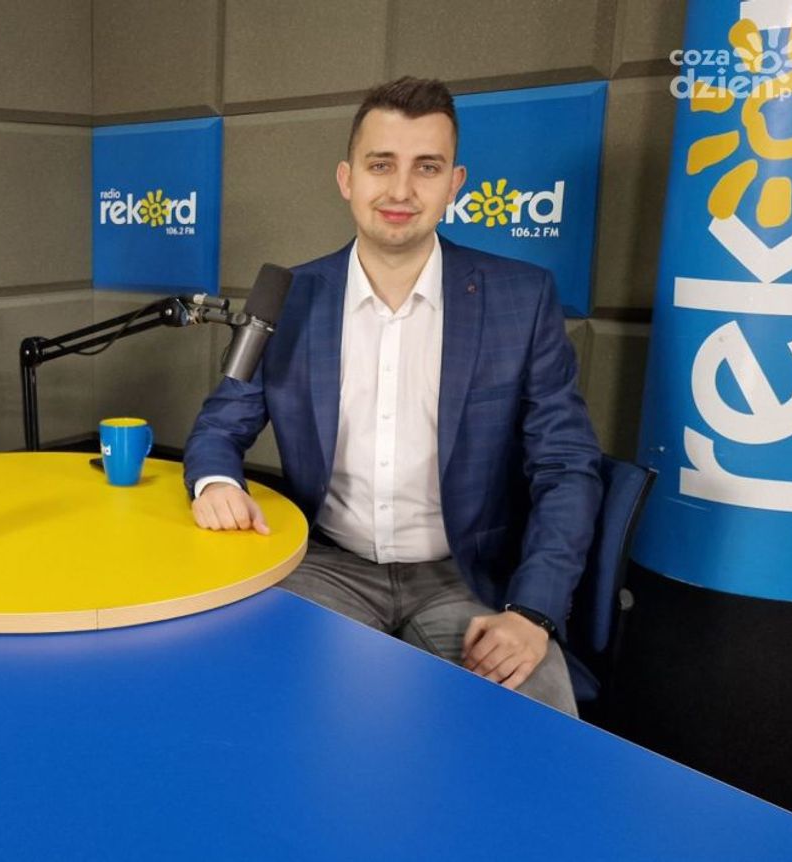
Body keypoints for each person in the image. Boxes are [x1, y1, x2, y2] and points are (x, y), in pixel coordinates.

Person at [183, 77, 601, 715]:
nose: (401, 190)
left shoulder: (522, 298)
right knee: (247, 704)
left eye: (426, 168)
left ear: (454, 183)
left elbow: (566, 465)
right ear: (347, 179)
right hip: (326, 568)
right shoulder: (289, 298)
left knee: (537, 735)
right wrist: (216, 483)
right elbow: (221, 425)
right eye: (381, 165)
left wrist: (532, 611)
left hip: (468, 579)